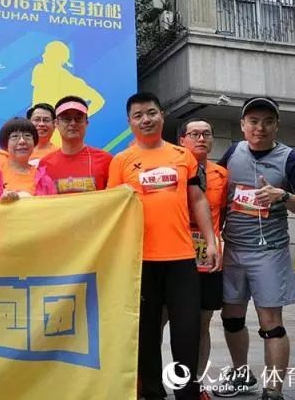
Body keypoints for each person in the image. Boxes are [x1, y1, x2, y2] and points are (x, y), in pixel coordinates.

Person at [108, 92, 219, 400]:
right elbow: (112, 210)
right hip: (140, 260)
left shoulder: (183, 156)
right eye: (138, 115)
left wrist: (211, 241)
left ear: (162, 115)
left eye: (151, 113)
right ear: (130, 122)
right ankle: (153, 393)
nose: (146, 119)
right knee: (146, 334)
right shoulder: (121, 161)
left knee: (187, 332)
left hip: (182, 258)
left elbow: (197, 200)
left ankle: (187, 393)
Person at [214, 97, 295, 400]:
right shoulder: (233, 153)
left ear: (276, 126)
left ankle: (273, 390)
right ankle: (241, 375)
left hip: (269, 251)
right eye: (254, 121)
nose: (260, 128)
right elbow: (217, 192)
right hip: (233, 249)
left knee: (271, 325)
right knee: (231, 318)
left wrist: (283, 195)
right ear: (243, 125)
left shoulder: (291, 158)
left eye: (268, 121)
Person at [176, 118, 228, 391]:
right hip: (174, 257)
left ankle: (196, 383)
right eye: (194, 134)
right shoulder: (172, 171)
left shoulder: (222, 174)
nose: (200, 139)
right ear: (182, 140)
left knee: (202, 324)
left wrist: (215, 243)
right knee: (160, 320)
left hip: (207, 260)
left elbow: (224, 214)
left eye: (206, 134)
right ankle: (149, 383)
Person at [39, 96, 112, 194]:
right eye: (66, 119)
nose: (73, 123)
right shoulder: (45, 164)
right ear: (56, 123)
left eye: (78, 118)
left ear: (86, 123)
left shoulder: (106, 160)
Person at [0, 118, 56, 200]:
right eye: (15, 136)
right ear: (5, 143)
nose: (22, 141)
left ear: (34, 143)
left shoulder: (44, 180)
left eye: (27, 136)